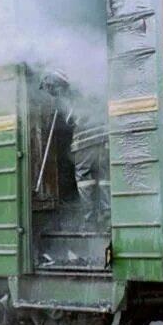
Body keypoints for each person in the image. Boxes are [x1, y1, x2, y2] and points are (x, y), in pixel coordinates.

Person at [40, 70, 110, 229]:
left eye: (48, 88)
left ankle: (89, 220)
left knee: (84, 177)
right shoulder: (84, 84)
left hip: (86, 139)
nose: (49, 93)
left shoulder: (66, 95)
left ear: (51, 84)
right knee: (104, 175)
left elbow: (73, 118)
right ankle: (107, 215)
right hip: (104, 135)